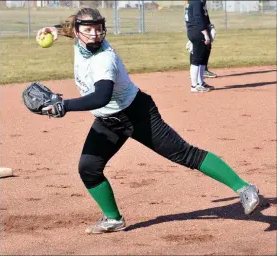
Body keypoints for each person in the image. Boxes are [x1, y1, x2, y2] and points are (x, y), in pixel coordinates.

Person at [36, 8, 260, 234]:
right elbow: (70, 27)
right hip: (108, 120)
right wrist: (53, 30)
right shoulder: (78, 38)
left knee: (184, 154)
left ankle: (244, 188)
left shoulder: (104, 58)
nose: (94, 34)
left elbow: (101, 97)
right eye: (88, 30)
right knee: (88, 168)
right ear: (76, 32)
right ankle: (114, 219)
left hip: (137, 114)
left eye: (98, 29)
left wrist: (64, 106)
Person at [185, 0, 216, 92]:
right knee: (197, 59)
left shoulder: (198, 2)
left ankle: (201, 82)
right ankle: (194, 86)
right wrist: (205, 34)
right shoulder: (196, 2)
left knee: (202, 58)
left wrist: (209, 28)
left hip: (197, 31)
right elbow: (198, 18)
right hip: (198, 31)